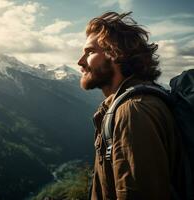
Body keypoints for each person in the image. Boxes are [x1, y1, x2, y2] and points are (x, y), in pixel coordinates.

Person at [78, 12, 186, 200]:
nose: (80, 61)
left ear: (116, 53)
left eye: (90, 52)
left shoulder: (132, 111)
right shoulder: (134, 104)